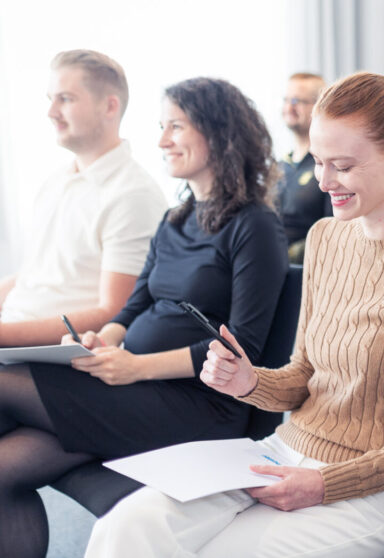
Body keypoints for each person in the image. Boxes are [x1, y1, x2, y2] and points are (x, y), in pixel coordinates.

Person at [85, 68, 384, 558]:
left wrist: (323, 485)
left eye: (341, 165)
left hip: (367, 490)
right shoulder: (325, 239)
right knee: (126, 526)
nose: (323, 181)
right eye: (318, 162)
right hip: (281, 451)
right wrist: (248, 381)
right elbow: (303, 375)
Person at [0, 77, 288, 558]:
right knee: (5, 471)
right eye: (160, 126)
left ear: (219, 132)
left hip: (198, 406)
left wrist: (136, 366)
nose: (160, 141)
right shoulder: (176, 218)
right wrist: (105, 338)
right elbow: (134, 305)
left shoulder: (256, 225)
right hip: (132, 391)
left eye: (175, 126)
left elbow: (243, 348)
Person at [0, 49, 165, 347]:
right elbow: (35, 277)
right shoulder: (56, 182)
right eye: (50, 98)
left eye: (65, 98)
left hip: (55, 357)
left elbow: (115, 312)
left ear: (109, 106)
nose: (51, 112)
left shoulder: (133, 195)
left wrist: (4, 336)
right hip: (13, 339)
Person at [276, 72, 332, 263]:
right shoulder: (280, 166)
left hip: (304, 268)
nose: (288, 107)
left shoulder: (330, 165)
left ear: (319, 106)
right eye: (286, 100)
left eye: (297, 100)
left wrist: (284, 256)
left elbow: (334, 231)